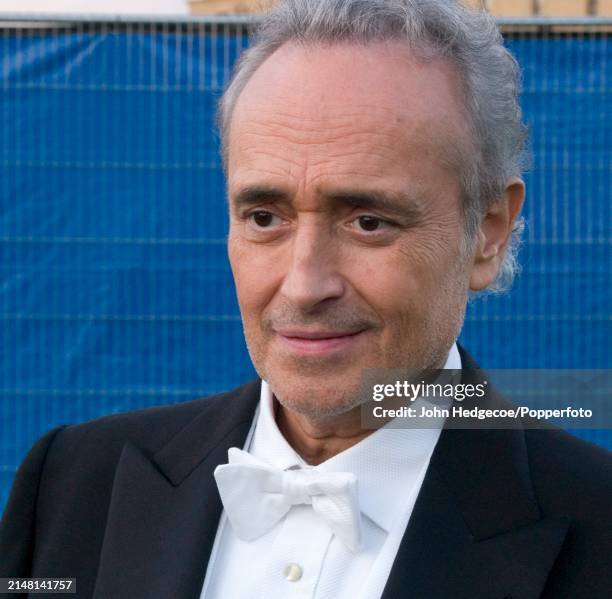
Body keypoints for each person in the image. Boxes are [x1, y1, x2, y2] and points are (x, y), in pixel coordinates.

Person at [1, 0, 610, 597]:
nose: (303, 285)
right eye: (265, 216)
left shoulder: (595, 527)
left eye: (368, 222)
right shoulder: (73, 485)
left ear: (488, 232)